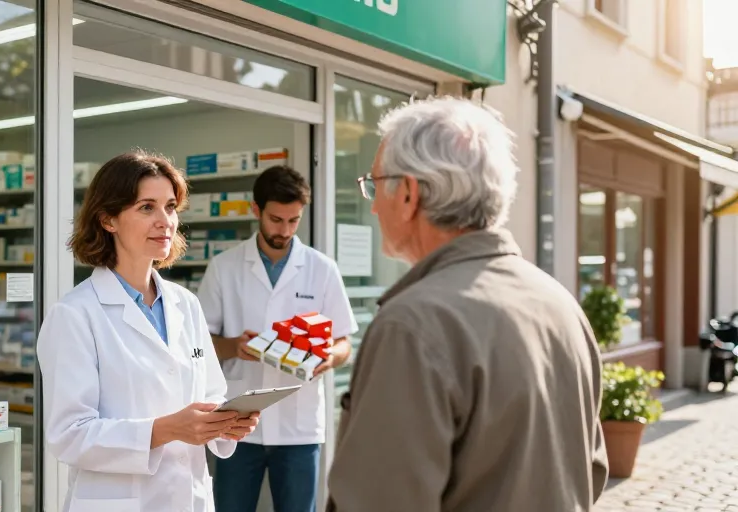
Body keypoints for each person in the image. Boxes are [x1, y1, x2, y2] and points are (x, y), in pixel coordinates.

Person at [325, 97, 609, 511]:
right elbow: (590, 470)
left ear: (408, 193)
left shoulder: (413, 324)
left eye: (375, 182)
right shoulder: (561, 304)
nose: (372, 203)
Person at [36, 150, 259, 512]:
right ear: (108, 219)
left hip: (188, 497)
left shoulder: (185, 304)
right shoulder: (75, 315)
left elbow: (212, 392)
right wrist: (166, 430)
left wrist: (225, 419)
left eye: (171, 207)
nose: (165, 221)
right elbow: (68, 436)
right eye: (147, 208)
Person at [197, 165, 357, 512]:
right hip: (237, 423)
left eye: (293, 221)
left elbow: (344, 341)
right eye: (275, 219)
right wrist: (233, 346)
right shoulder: (224, 267)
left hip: (298, 426)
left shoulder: (322, 269)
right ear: (256, 210)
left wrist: (328, 357)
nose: (284, 230)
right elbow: (200, 342)